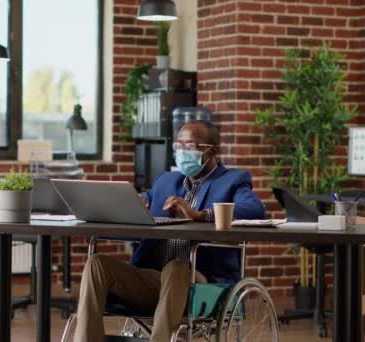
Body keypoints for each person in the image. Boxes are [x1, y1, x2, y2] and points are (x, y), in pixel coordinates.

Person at [73, 120, 265, 342]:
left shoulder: (232, 181)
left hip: (199, 282)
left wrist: (200, 214)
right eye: (179, 146)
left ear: (213, 150)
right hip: (152, 279)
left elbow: (254, 209)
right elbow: (144, 201)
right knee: (96, 264)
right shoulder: (166, 181)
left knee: (177, 267)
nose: (183, 152)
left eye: (190, 146)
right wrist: (134, 204)